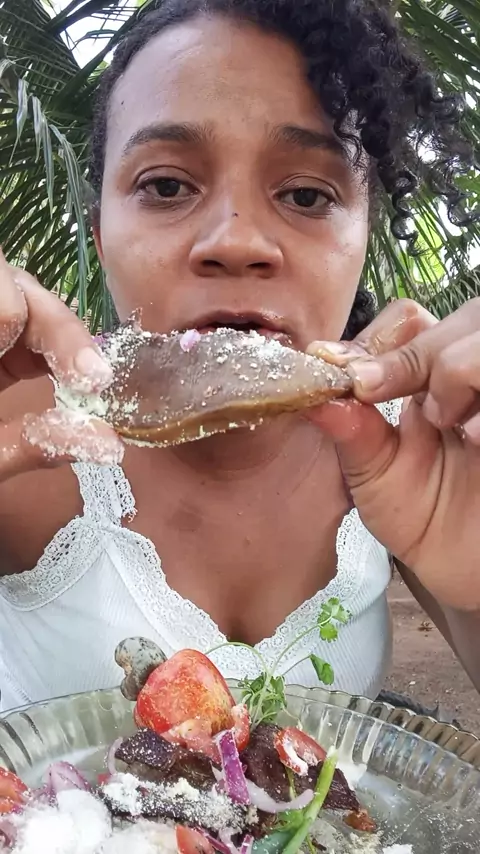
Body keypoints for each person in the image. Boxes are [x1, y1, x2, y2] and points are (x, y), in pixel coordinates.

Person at [0, 0, 479, 714]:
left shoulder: (417, 444)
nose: (236, 240)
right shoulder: (19, 430)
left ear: (362, 237)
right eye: (166, 186)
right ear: (100, 236)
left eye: (307, 194)